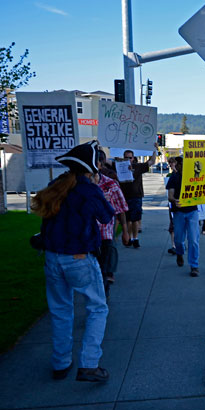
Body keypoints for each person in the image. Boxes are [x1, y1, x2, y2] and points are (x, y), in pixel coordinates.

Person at [32, 141, 114, 382]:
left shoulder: (56, 184)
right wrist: (97, 188)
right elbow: (106, 216)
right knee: (97, 308)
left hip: (52, 257)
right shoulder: (88, 189)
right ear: (92, 167)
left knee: (60, 310)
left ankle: (61, 363)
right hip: (79, 258)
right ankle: (89, 364)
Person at [96, 149, 129, 299]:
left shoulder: (110, 183)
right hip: (85, 234)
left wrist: (125, 231)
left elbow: (120, 208)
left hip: (105, 233)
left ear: (100, 164)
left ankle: (104, 290)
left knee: (103, 265)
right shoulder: (77, 184)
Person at [166, 157, 201, 277]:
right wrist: (174, 200)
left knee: (193, 240)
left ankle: (194, 265)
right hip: (179, 212)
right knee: (179, 240)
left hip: (192, 211)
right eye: (179, 164)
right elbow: (170, 195)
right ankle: (180, 252)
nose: (181, 166)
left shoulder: (194, 177)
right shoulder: (174, 178)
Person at [119, 144, 158, 248]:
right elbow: (106, 163)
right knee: (127, 220)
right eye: (126, 157)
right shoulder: (119, 165)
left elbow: (151, 162)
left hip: (136, 196)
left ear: (133, 158)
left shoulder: (138, 166)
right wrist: (99, 147)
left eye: (130, 157)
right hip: (124, 196)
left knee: (135, 219)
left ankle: (135, 238)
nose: (128, 159)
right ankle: (129, 237)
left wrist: (154, 150)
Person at [166, 157, 178, 254]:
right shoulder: (169, 175)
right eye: (169, 163)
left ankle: (180, 244)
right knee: (172, 225)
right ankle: (174, 245)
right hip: (172, 203)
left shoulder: (181, 174)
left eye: (172, 163)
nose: (170, 165)